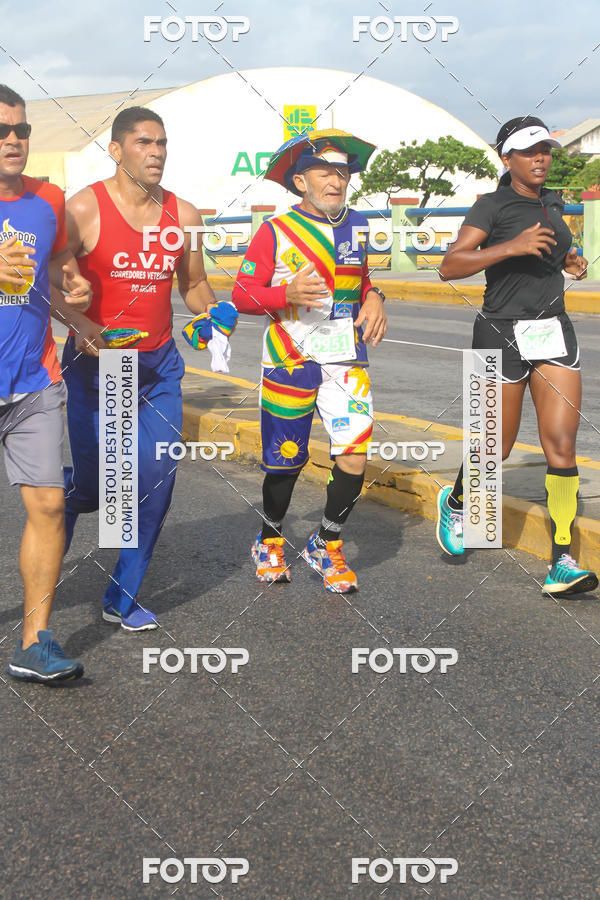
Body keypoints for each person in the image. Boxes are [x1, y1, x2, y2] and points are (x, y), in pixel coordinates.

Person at [60, 106, 215, 631]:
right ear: (117, 149)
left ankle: (121, 596)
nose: (157, 152)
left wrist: (212, 315)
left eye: (163, 143)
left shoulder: (185, 215)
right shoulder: (83, 208)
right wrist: (78, 320)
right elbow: (47, 284)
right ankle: (65, 500)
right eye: (145, 142)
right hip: (98, 367)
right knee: (97, 486)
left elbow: (193, 283)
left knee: (155, 478)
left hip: (157, 367)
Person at [436, 115, 598, 597]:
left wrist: (570, 261)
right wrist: (512, 246)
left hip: (552, 331)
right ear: (507, 159)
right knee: (494, 447)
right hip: (498, 332)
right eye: (529, 152)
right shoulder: (491, 205)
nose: (541, 157)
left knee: (561, 446)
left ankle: (561, 561)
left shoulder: (553, 202)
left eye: (545, 149)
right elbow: (450, 266)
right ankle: (460, 502)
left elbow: (554, 252)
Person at [232, 129, 387, 593]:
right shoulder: (275, 231)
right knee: (285, 461)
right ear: (301, 182)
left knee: (355, 457)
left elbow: (360, 280)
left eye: (342, 171)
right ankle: (270, 538)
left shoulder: (357, 224)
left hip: (346, 360)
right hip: (290, 358)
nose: (336, 179)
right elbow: (241, 295)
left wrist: (376, 295)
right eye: (325, 171)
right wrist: (285, 294)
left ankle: (326, 542)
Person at [0, 84, 91, 682]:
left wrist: (75, 300)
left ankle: (36, 640)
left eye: (21, 130)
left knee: (50, 503)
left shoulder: (48, 200)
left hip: (33, 379)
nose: (13, 140)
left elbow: (59, 271)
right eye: (2, 131)